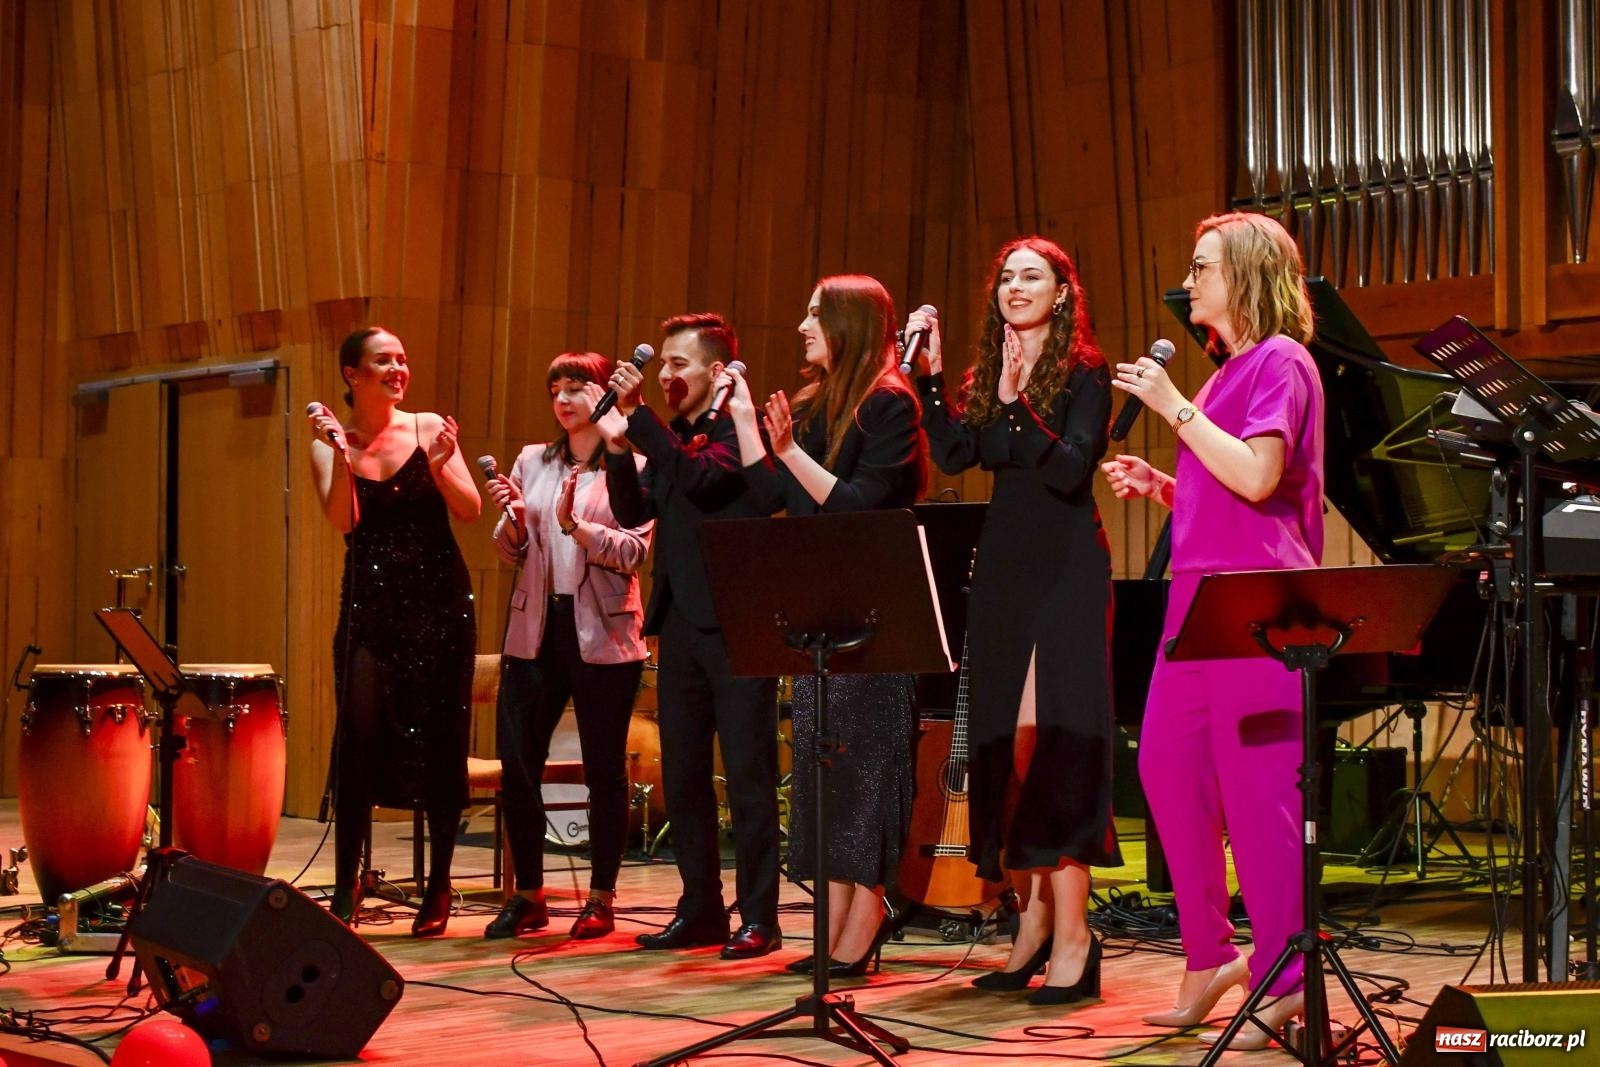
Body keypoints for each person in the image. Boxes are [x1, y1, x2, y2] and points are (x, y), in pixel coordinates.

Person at [1101, 211, 1323, 1048]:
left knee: (1259, 798)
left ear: (1249, 274)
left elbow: (1263, 477)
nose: (1189, 281)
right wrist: (1165, 484)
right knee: (1164, 764)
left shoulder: (1282, 361)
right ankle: (1209, 955)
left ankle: (1286, 977)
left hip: (1260, 605)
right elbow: (1227, 488)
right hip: (1198, 600)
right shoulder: (1227, 372)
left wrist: (1173, 411)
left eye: (1203, 266)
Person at [904, 237, 1120, 1004]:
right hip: (1000, 571)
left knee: (1052, 743)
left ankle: (1076, 936)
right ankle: (1030, 924)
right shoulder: (983, 375)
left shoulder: (1086, 374)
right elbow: (961, 453)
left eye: (1033, 276)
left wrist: (1017, 392)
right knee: (1004, 745)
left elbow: (1068, 468)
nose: (1014, 287)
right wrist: (931, 383)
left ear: (1064, 293)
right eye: (1006, 277)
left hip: (1065, 567)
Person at [723, 274, 925, 977]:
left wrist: (791, 452)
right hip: (820, 616)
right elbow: (772, 496)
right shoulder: (816, 403)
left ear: (850, 324)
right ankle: (840, 916)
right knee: (824, 768)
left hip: (871, 615)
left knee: (863, 767)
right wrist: (753, 427)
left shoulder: (891, 403)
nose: (803, 325)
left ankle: (866, 906)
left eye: (816, 314)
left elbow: (860, 504)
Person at [593, 314, 785, 960]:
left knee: (751, 777)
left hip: (738, 625)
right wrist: (619, 449)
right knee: (684, 777)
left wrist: (639, 418)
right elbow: (632, 510)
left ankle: (759, 914)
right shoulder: (672, 438)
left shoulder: (738, 431)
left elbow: (702, 479)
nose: (667, 376)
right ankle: (699, 906)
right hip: (678, 624)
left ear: (715, 371)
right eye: (663, 364)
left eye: (679, 365)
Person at [308, 326, 481, 938]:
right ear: (353, 374)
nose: (398, 369)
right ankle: (346, 884)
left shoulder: (430, 428)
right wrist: (340, 455)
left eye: (403, 359)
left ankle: (439, 884)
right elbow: (342, 521)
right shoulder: (330, 441)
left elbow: (470, 509)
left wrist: (440, 468)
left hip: (438, 604)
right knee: (358, 739)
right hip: (370, 608)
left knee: (441, 738)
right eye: (384, 361)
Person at [480, 353, 653, 941]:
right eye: (556, 388)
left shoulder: (632, 462)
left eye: (577, 387)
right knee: (518, 763)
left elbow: (633, 552)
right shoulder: (533, 460)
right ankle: (530, 893)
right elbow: (512, 552)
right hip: (537, 629)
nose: (564, 399)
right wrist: (512, 523)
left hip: (604, 632)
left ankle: (601, 896)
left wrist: (576, 527)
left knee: (604, 770)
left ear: (603, 393)